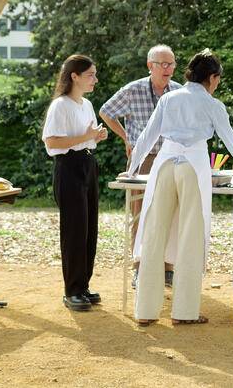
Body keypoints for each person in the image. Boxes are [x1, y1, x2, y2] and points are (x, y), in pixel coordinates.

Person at [128, 49, 233, 326]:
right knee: (190, 237)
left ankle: (145, 310)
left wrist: (131, 170)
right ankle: (184, 312)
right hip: (193, 164)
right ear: (212, 78)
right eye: (217, 79)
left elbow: (146, 137)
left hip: (165, 162)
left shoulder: (169, 97)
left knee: (154, 234)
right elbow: (232, 143)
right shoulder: (213, 105)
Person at [100, 44, 181, 288]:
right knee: (139, 214)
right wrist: (126, 138)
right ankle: (139, 268)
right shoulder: (133, 90)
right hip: (142, 160)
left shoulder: (178, 91)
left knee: (170, 212)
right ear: (150, 66)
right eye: (163, 64)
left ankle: (167, 268)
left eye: (172, 64)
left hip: (170, 158)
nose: (168, 69)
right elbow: (106, 112)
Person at [42, 54, 109, 311]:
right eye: (90, 74)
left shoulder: (87, 104)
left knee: (89, 227)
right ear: (74, 76)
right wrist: (85, 136)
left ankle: (83, 285)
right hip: (69, 167)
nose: (95, 79)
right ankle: (72, 291)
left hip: (88, 164)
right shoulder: (60, 105)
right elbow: (52, 142)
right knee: (74, 230)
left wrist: (95, 137)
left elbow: (85, 139)